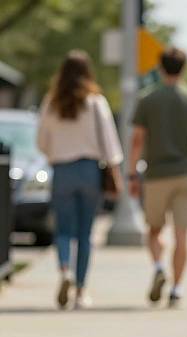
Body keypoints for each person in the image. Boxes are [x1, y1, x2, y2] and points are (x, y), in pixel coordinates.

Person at [37, 50, 123, 310]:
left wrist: (55, 154)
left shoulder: (51, 102)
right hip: (89, 172)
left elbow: (41, 141)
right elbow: (110, 144)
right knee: (85, 234)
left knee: (63, 230)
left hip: (62, 171)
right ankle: (80, 291)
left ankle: (64, 270)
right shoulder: (96, 102)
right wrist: (115, 172)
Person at [129, 47, 187, 306]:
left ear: (161, 67)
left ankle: (158, 267)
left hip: (156, 175)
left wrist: (132, 174)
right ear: (184, 68)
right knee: (182, 235)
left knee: (154, 231)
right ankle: (176, 288)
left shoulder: (148, 99)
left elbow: (137, 141)